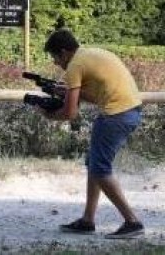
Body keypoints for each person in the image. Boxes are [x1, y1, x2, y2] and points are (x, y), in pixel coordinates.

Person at [39, 28, 144, 239]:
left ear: (64, 52)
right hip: (129, 110)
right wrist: (68, 92)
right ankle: (87, 220)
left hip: (116, 115)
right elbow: (101, 95)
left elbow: (69, 113)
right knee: (93, 163)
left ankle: (132, 222)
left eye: (55, 58)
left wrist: (48, 115)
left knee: (100, 168)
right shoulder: (91, 54)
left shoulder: (75, 66)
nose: (56, 63)